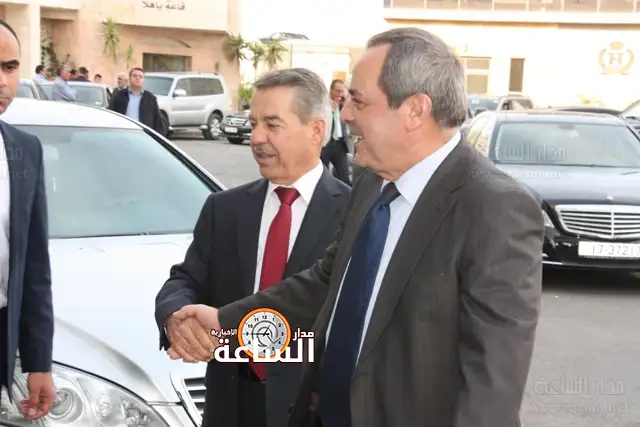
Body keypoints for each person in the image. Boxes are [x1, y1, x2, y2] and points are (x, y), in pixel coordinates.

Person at [170, 27, 544, 427]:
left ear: (415, 110)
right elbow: (324, 284)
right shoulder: (370, 183)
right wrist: (226, 322)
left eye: (359, 102)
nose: (345, 115)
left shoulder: (495, 207)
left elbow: (492, 383)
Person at [155, 68, 351, 427]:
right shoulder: (224, 208)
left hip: (309, 411)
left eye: (272, 125)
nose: (256, 138)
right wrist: (175, 319)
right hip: (230, 405)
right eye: (253, 123)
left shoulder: (354, 215)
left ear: (316, 130)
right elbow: (185, 280)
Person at [0, 19, 55, 421]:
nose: (2, 81)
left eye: (9, 67)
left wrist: (38, 362)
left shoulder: (25, 150)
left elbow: (34, 265)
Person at [108, 67, 166, 135]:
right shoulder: (119, 95)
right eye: (135, 76)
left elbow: (158, 122)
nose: (137, 78)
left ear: (143, 80)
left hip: (143, 136)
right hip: (123, 134)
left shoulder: (150, 98)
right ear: (129, 79)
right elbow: (110, 115)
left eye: (140, 76)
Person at [320, 79, 350, 185]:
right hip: (326, 143)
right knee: (323, 174)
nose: (340, 94)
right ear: (331, 90)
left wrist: (345, 105)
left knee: (344, 174)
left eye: (342, 91)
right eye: (338, 91)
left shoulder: (344, 104)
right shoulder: (323, 103)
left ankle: (345, 193)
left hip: (339, 144)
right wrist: (331, 110)